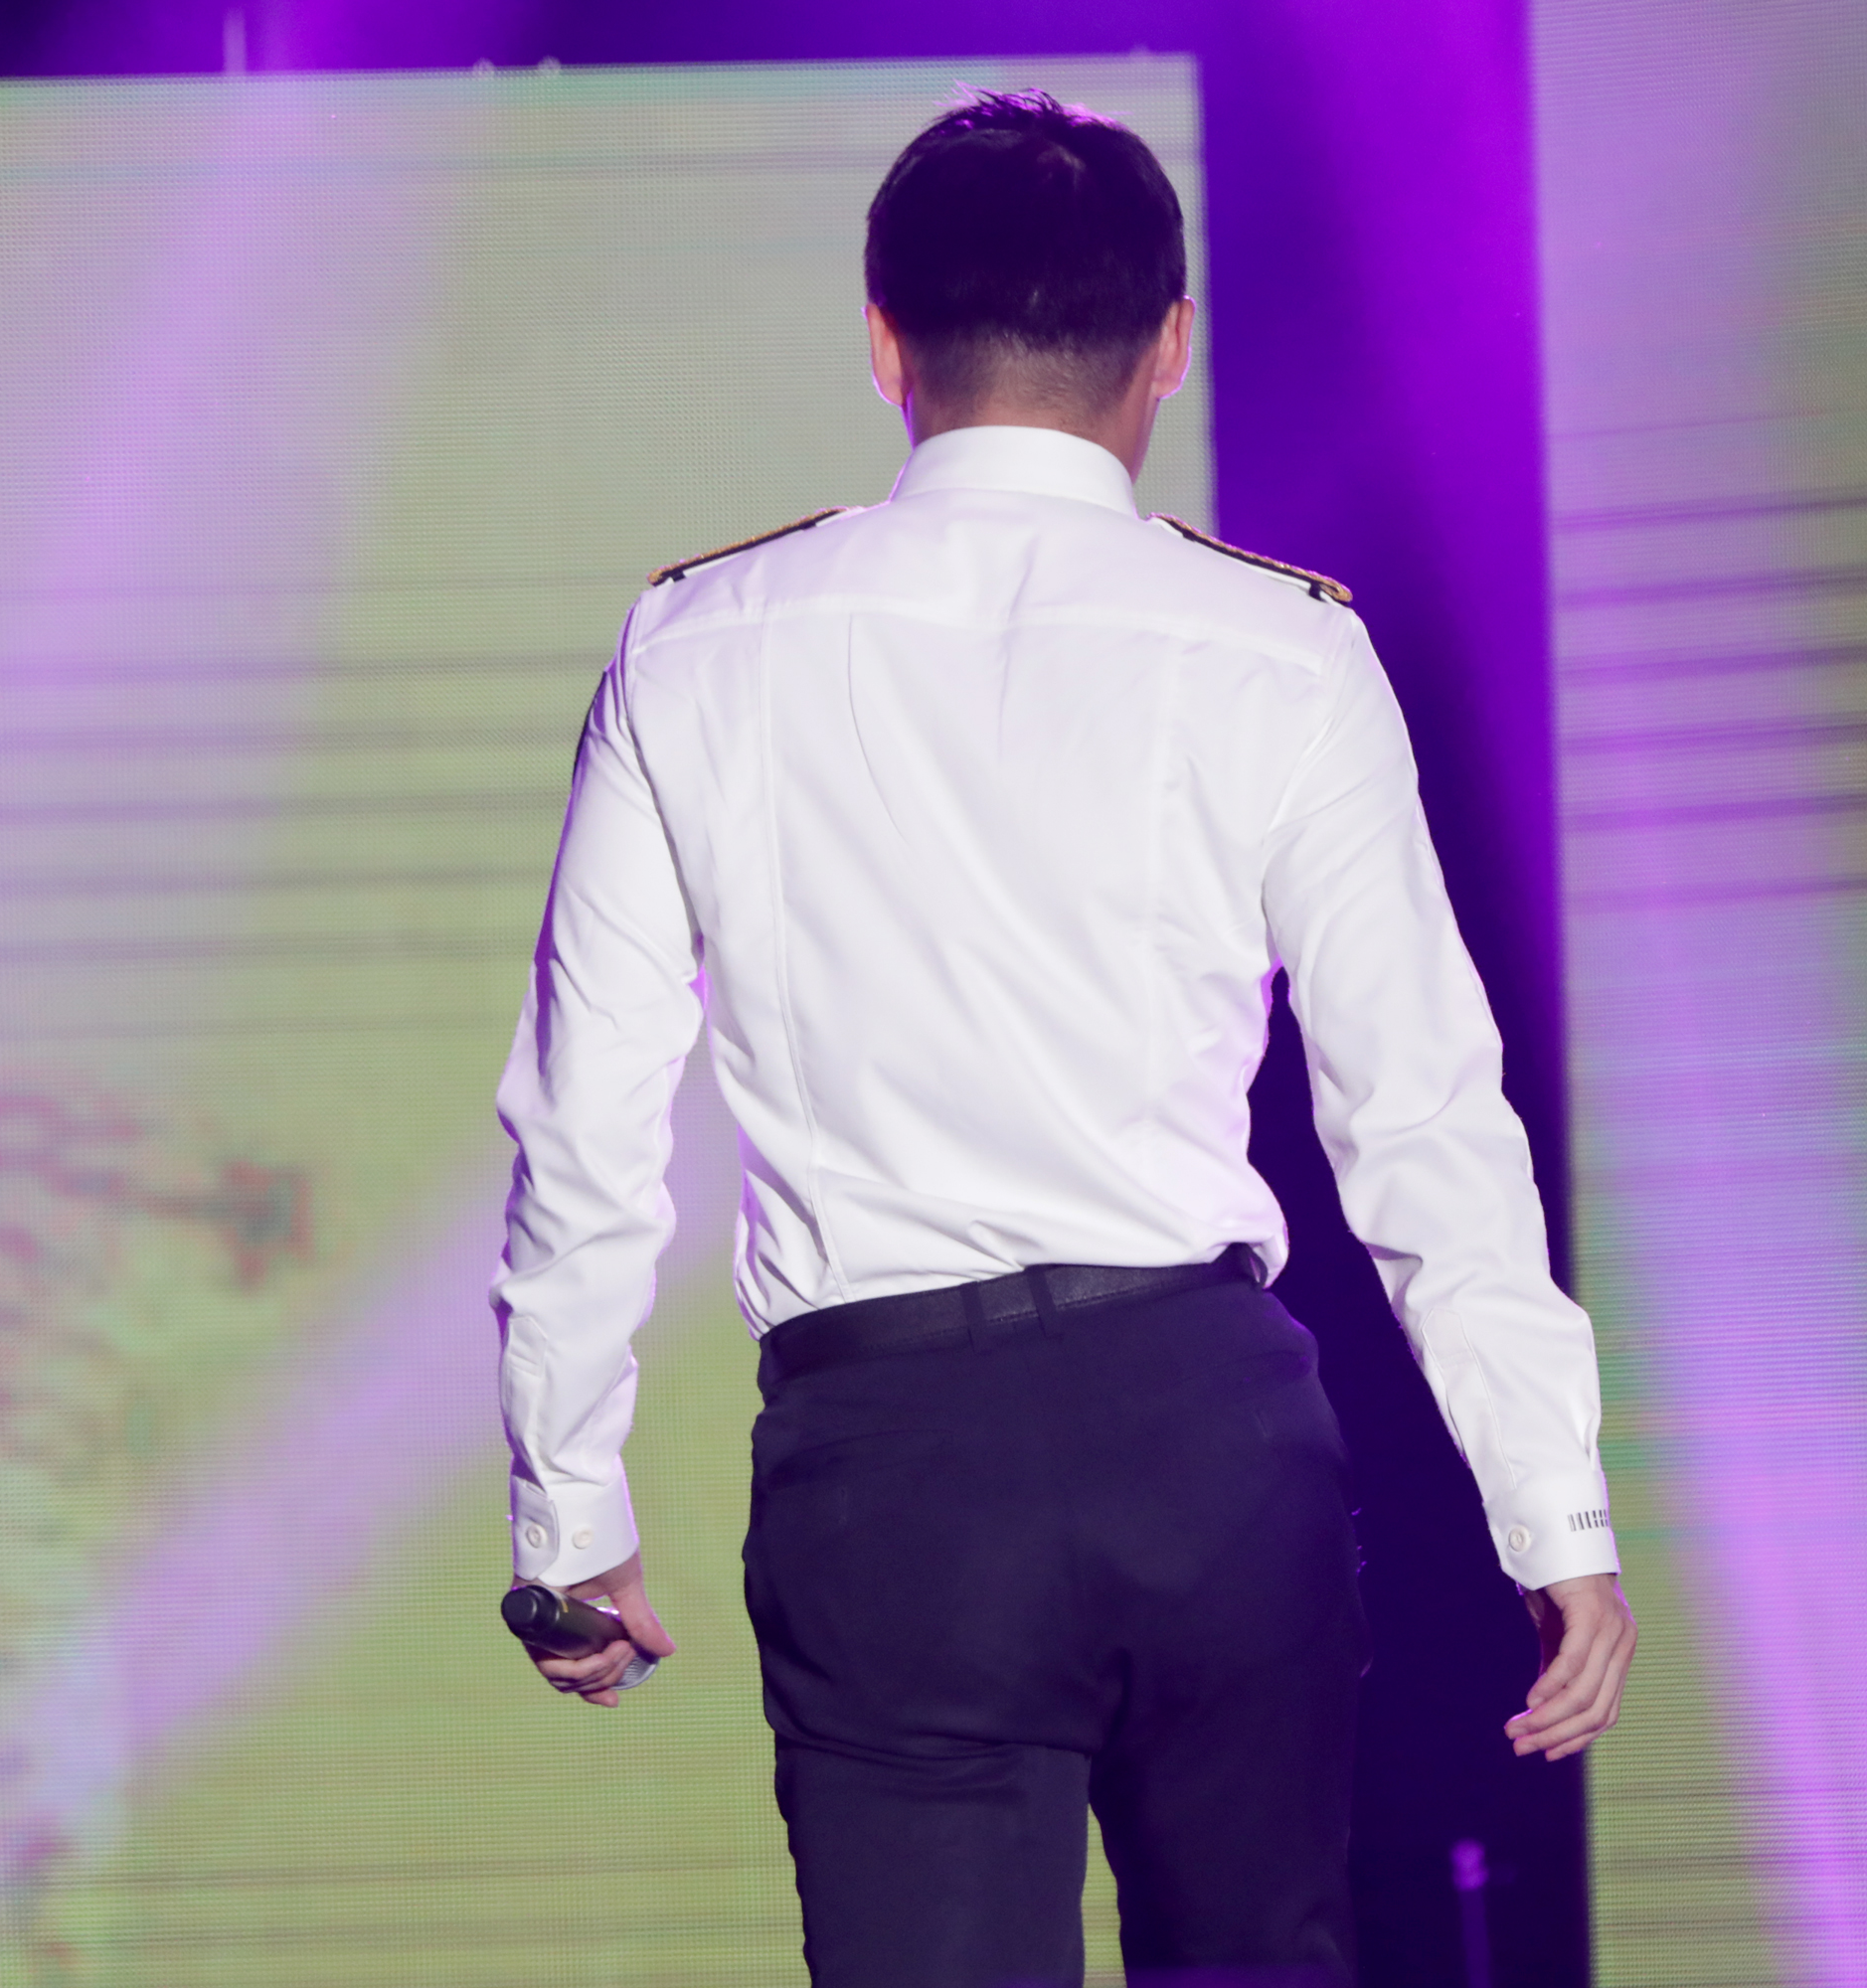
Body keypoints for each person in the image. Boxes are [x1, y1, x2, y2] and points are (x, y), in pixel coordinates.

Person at [492, 87, 1634, 1988]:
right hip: (1210, 1442)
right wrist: (1553, 1511)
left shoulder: (701, 642)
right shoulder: (1281, 649)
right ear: (1170, 345)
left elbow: (587, 1121)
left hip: (896, 1472)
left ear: (885, 343)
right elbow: (1421, 1111)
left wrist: (570, 1518)